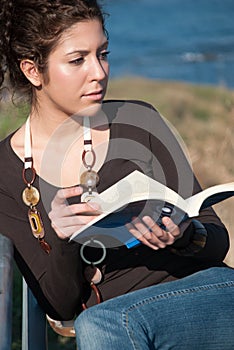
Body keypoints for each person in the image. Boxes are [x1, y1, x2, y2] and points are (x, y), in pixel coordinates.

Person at [0, 0, 231, 344]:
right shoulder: (8, 170)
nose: (99, 72)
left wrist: (183, 234)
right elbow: (59, 304)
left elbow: (216, 240)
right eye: (78, 60)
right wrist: (64, 241)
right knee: (104, 322)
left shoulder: (138, 122)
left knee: (105, 322)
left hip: (206, 297)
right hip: (116, 327)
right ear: (33, 71)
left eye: (102, 54)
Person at [75, 266, 234, 349]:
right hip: (121, 322)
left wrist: (184, 236)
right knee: (97, 323)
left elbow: (218, 243)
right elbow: (61, 307)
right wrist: (62, 239)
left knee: (101, 324)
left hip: (208, 289)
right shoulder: (54, 208)